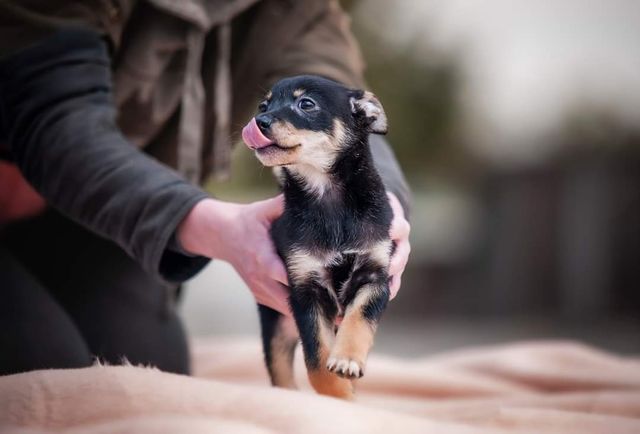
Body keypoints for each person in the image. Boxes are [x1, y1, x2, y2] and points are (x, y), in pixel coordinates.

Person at [0, 0, 411, 376]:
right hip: (51, 183)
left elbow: (342, 106)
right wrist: (214, 227)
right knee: (39, 369)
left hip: (93, 222)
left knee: (149, 372)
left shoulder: (298, 11)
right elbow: (56, 123)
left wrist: (384, 202)